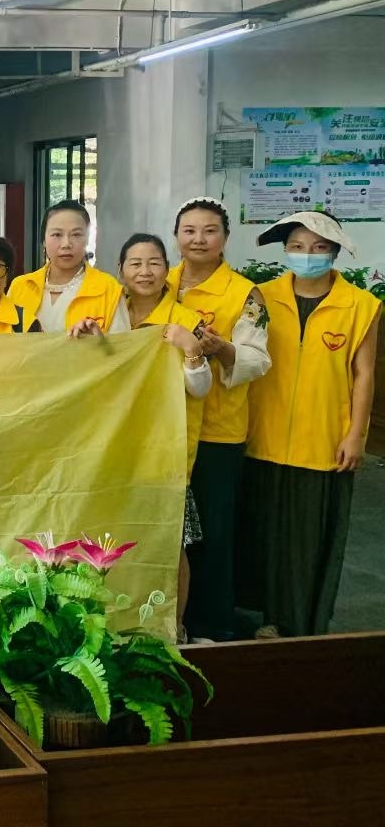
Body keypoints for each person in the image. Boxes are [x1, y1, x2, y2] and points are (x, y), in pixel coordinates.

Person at [241, 211, 379, 639]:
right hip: (261, 436)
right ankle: (260, 620)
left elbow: (364, 374)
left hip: (323, 441)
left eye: (319, 247)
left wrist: (356, 434)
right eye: (298, 247)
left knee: (309, 541)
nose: (307, 255)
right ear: (285, 250)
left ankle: (301, 629)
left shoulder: (361, 305)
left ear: (335, 251)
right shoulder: (261, 297)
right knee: (262, 534)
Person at [167, 197, 271, 643]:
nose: (199, 239)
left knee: (212, 530)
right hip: (165, 428)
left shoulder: (245, 294)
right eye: (189, 230)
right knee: (170, 529)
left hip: (216, 430)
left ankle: (212, 624)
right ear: (176, 236)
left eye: (209, 231)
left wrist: (222, 349)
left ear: (225, 238)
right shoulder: (159, 281)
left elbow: (258, 359)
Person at [118, 232, 213, 630]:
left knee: (171, 542)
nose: (145, 271)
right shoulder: (111, 316)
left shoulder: (187, 321)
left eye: (154, 262)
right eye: (136, 263)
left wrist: (190, 348)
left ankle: (174, 627)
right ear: (121, 271)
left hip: (164, 452)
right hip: (115, 448)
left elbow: (201, 388)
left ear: (167, 270)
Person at [8, 199, 128, 335]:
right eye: (57, 234)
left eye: (76, 234)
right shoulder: (20, 287)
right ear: (44, 240)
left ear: (88, 239)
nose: (66, 244)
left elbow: (123, 346)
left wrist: (98, 340)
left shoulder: (108, 288)